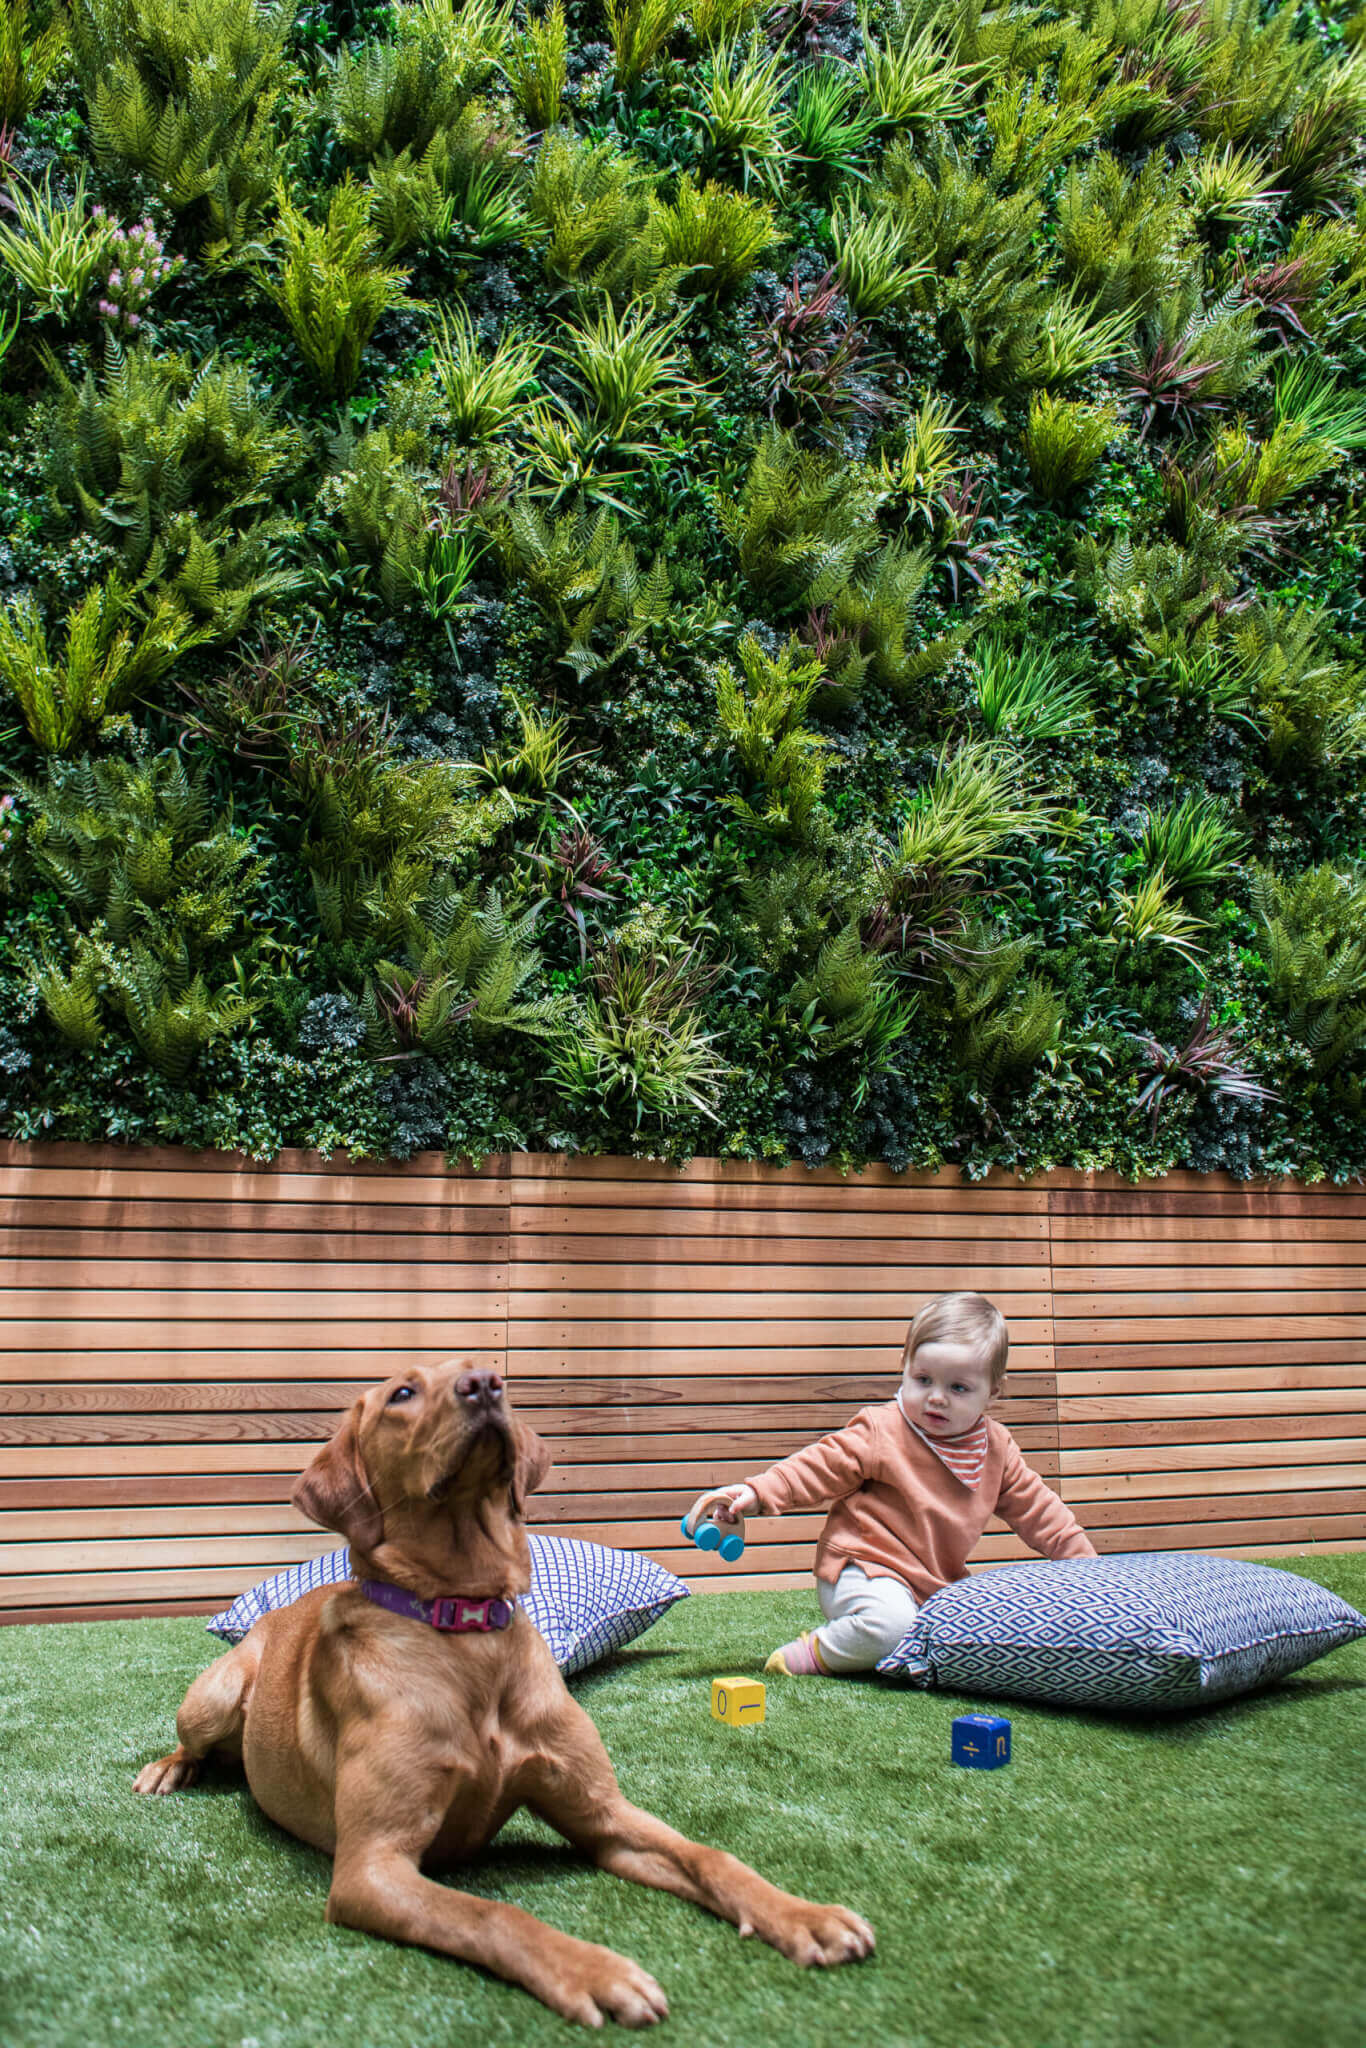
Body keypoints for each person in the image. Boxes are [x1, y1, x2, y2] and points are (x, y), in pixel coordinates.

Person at [709, 1291, 1097, 1676]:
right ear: (904, 1367)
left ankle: (902, 1649)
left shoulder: (997, 1450)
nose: (936, 1398)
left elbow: (1042, 1514)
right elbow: (818, 1466)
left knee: (986, 1630)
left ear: (993, 1391)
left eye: (958, 1388)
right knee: (890, 1627)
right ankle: (814, 1652)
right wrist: (761, 1492)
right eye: (923, 1379)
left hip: (937, 1584)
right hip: (862, 1569)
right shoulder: (884, 1429)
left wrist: (1090, 1572)